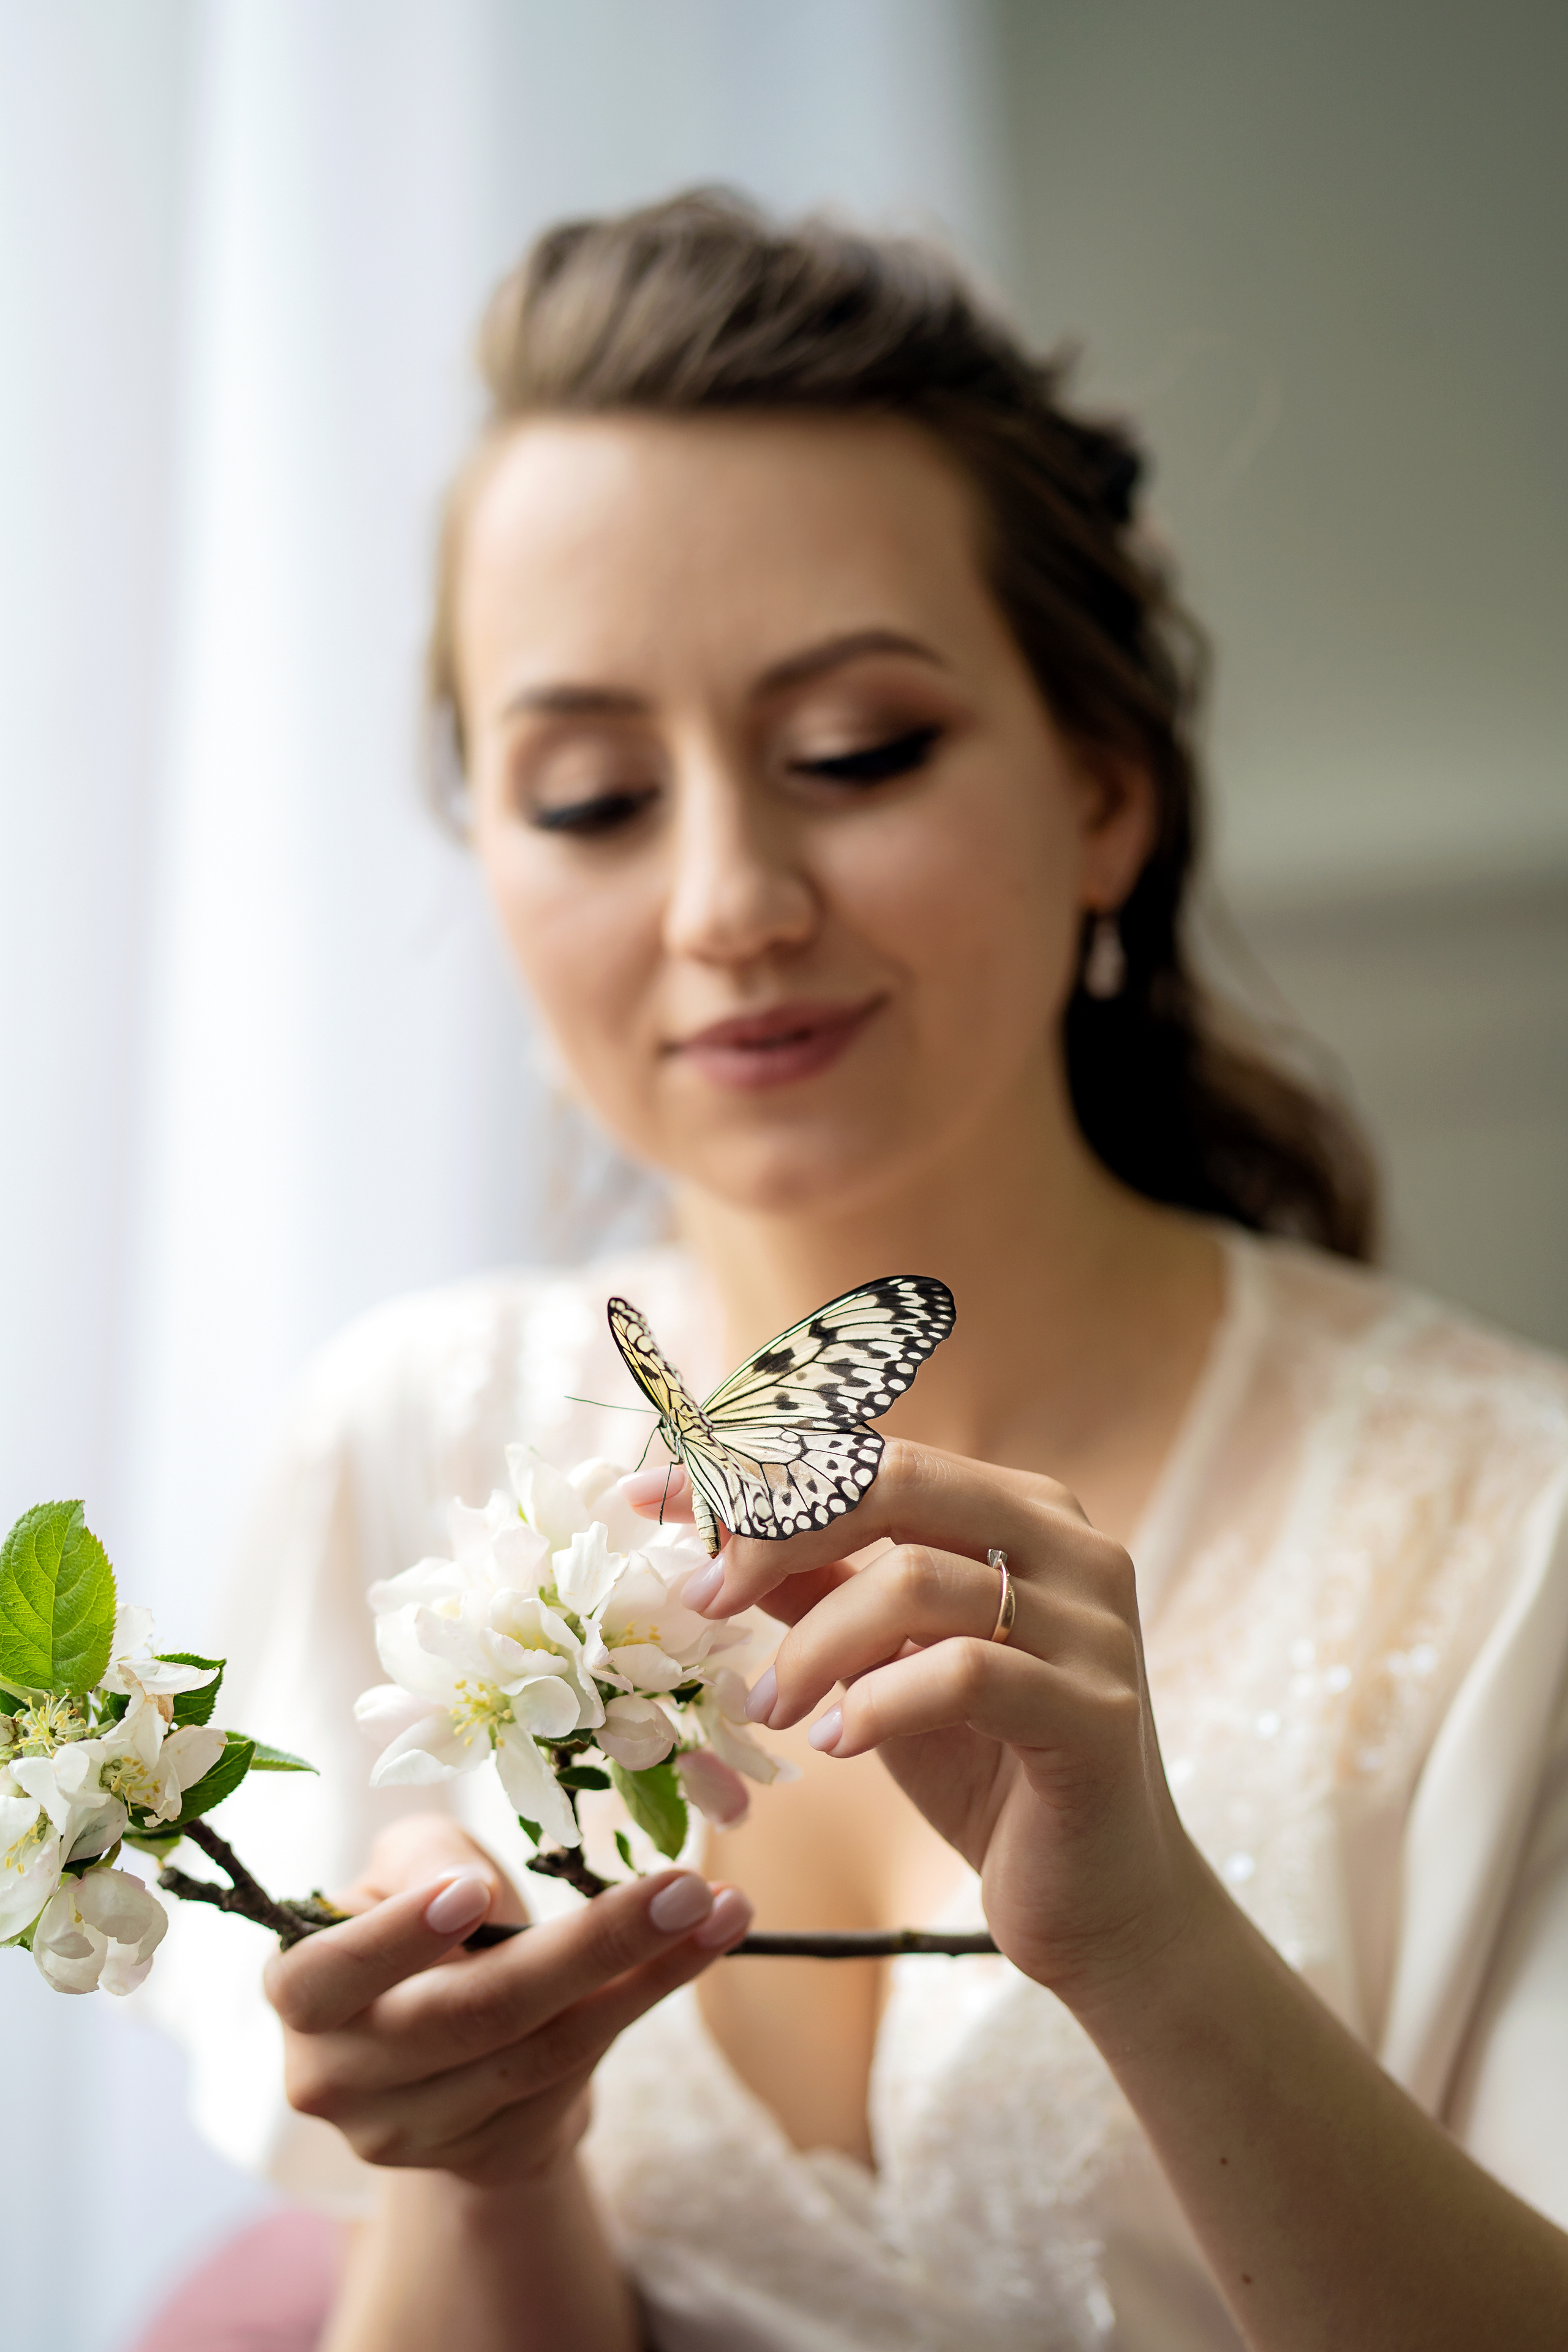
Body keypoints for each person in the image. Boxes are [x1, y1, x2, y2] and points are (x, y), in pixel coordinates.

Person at [145, 191, 1568, 2352]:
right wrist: (487, 2159)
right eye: (595, 794)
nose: (728, 901)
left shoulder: (1516, 1534)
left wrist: (1157, 1952)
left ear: (1107, 798)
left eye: (854, 756)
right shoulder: (411, 1443)